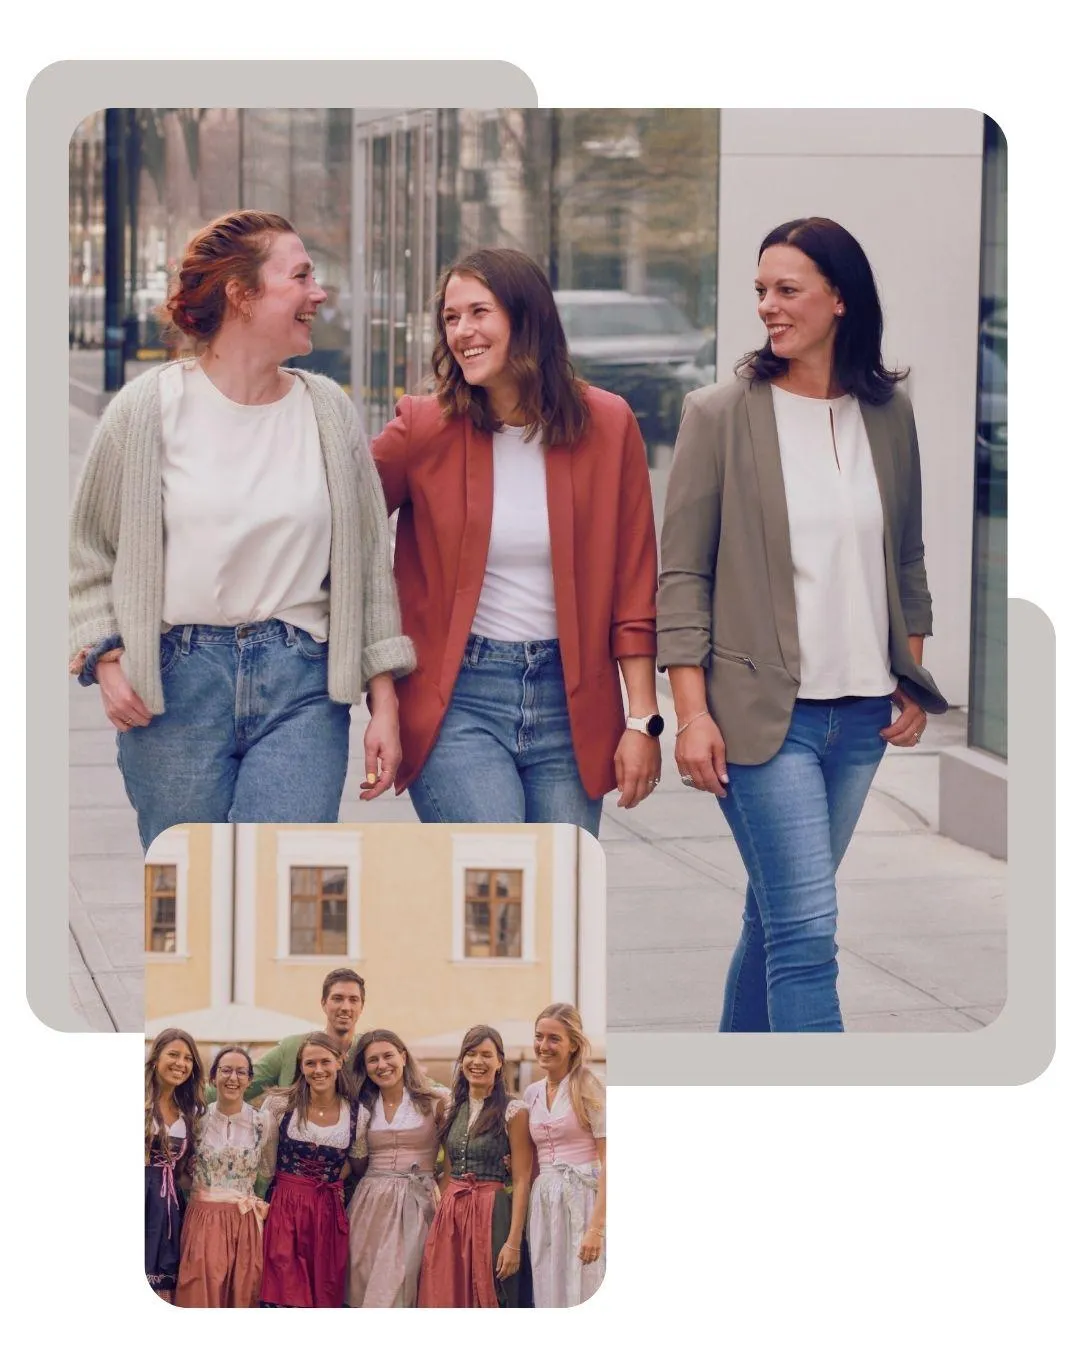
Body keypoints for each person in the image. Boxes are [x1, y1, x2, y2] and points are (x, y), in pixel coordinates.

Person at [657, 216, 948, 1034]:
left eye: (788, 290)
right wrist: (691, 715)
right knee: (809, 935)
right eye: (760, 291)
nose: (769, 307)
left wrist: (909, 675)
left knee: (778, 920)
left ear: (840, 300)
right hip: (760, 722)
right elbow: (684, 577)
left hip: (860, 719)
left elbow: (908, 561)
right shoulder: (719, 415)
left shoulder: (889, 416)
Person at [68, 209, 415, 852]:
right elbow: (86, 549)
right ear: (241, 295)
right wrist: (107, 661)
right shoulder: (147, 411)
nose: (319, 293)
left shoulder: (329, 412)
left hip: (302, 682)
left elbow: (368, 568)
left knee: (285, 893)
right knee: (190, 905)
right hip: (175, 686)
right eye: (302, 276)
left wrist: (384, 705)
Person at [371, 247, 662, 836]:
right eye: (451, 318)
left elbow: (634, 586)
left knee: (555, 911)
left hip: (571, 703)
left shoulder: (607, 424)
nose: (462, 332)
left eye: (479, 312)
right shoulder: (423, 426)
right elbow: (334, 524)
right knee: (496, 900)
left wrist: (643, 720)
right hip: (459, 700)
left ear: (526, 318)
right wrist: (380, 687)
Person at [417, 1025, 533, 1308]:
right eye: (470, 1054)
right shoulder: (450, 1108)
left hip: (492, 1212)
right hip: (451, 1214)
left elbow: (521, 1179)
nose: (477, 1062)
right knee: (445, 1292)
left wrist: (514, 1242)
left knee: (493, 1291)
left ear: (499, 1062)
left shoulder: (514, 1112)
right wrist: (437, 1225)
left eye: (486, 1055)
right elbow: (449, 1171)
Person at [345, 1029, 451, 1307]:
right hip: (369, 1204)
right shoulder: (362, 1106)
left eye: (388, 1056)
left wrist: (438, 1193)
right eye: (373, 1060)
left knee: (404, 1283)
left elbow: (454, 1157)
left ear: (403, 1057)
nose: (382, 1065)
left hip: (417, 1202)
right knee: (363, 1279)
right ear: (365, 1068)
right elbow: (357, 1163)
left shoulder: (435, 1100)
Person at [259, 1032, 361, 1308]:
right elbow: (266, 1165)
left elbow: (359, 1161)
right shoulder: (280, 1105)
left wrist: (339, 1174)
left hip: (328, 1212)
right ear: (301, 1067)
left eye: (325, 1062)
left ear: (339, 1062)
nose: (318, 1070)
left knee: (324, 1293)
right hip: (285, 1209)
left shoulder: (356, 1113)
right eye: (310, 1064)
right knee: (283, 1291)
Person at [174, 1046, 272, 1308]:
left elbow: (266, 1171)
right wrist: (203, 1192)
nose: (233, 1078)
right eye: (226, 1070)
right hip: (203, 1220)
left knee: (242, 1295)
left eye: (241, 1072)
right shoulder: (196, 1119)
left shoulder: (263, 1122)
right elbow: (181, 1172)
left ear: (250, 1080)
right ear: (212, 1077)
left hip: (244, 1222)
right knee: (199, 1292)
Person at [522, 1003, 606, 1306]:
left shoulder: (589, 1085)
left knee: (584, 1285)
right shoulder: (531, 1094)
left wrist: (596, 1229)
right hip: (544, 1201)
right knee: (547, 1287)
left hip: (583, 1199)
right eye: (539, 1037)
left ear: (573, 1044)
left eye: (554, 1038)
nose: (544, 1046)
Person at [220, 968, 367, 1104]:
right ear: (323, 1004)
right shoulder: (292, 1048)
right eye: (337, 998)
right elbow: (240, 1083)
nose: (346, 1007)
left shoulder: (369, 1052)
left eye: (353, 1000)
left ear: (362, 1007)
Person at [145, 1028, 205, 1301]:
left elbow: (180, 1174)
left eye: (188, 1058)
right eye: (173, 1054)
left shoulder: (188, 1112)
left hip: (169, 1208)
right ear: (155, 1057)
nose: (181, 1063)